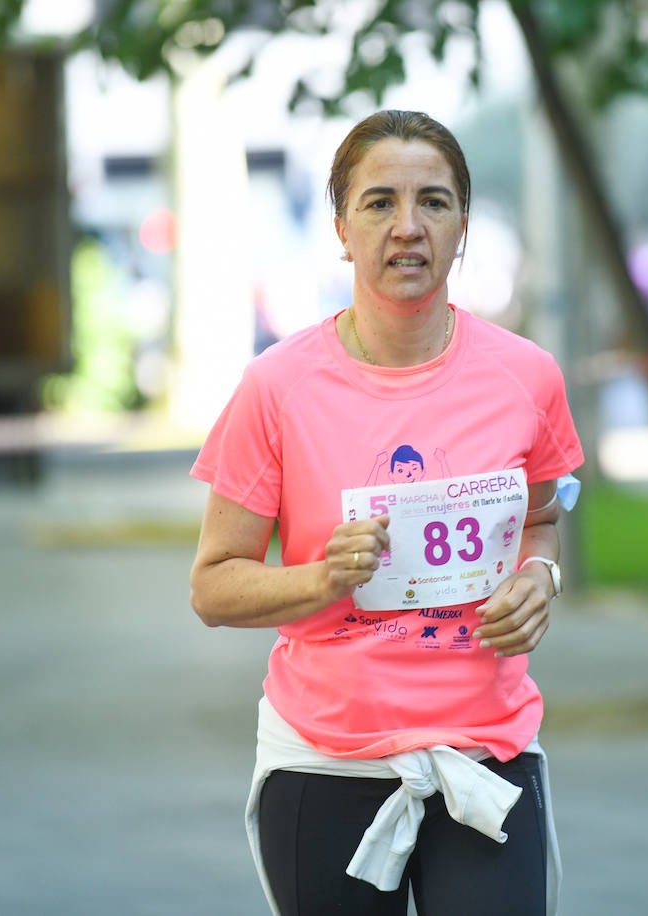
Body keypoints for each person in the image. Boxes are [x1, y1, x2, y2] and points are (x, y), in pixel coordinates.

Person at [189, 110, 583, 916]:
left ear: (463, 227)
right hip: (324, 760)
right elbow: (214, 588)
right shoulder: (277, 387)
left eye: (434, 203)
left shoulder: (526, 378)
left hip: (485, 752)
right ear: (341, 227)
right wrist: (321, 579)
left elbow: (539, 521)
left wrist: (541, 575)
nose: (408, 228)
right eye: (379, 203)